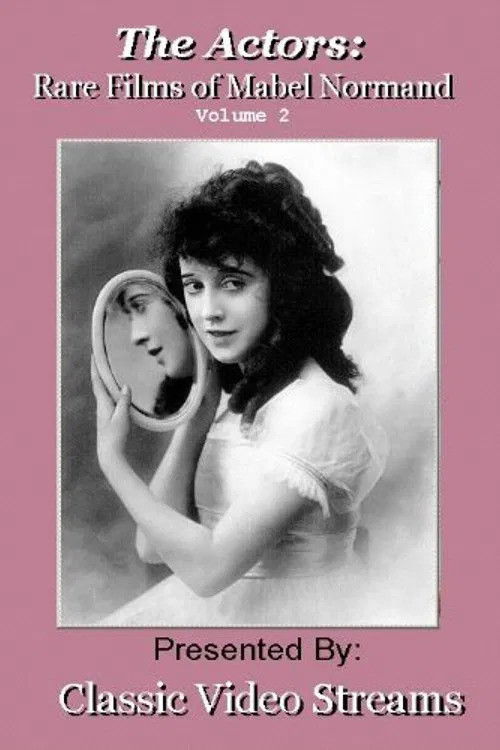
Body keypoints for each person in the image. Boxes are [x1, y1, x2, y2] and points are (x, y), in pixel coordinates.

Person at [91, 161, 388, 626]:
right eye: (194, 286)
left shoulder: (320, 408)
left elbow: (209, 570)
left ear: (284, 286)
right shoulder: (237, 395)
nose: (208, 311)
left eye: (233, 283)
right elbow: (152, 547)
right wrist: (199, 415)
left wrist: (111, 459)